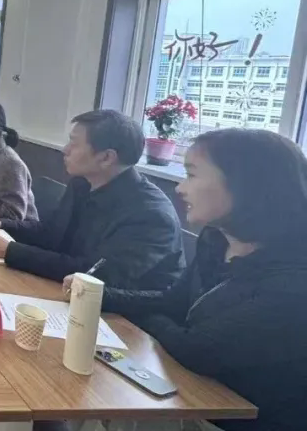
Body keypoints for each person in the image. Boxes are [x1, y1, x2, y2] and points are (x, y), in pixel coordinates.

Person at [67, 129, 307, 431]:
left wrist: (151, 317)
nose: (180, 187)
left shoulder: (294, 284)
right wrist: (100, 295)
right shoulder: (216, 240)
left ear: (247, 185)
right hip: (188, 393)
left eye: (192, 175)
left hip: (241, 418)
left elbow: (197, 349)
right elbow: (173, 302)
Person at [0, 110, 183, 289]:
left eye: (74, 143)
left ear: (106, 157)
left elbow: (92, 274)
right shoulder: (82, 183)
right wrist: (3, 225)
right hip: (65, 288)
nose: (65, 150)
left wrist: (10, 251)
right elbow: (51, 234)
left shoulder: (150, 215)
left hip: (120, 317)